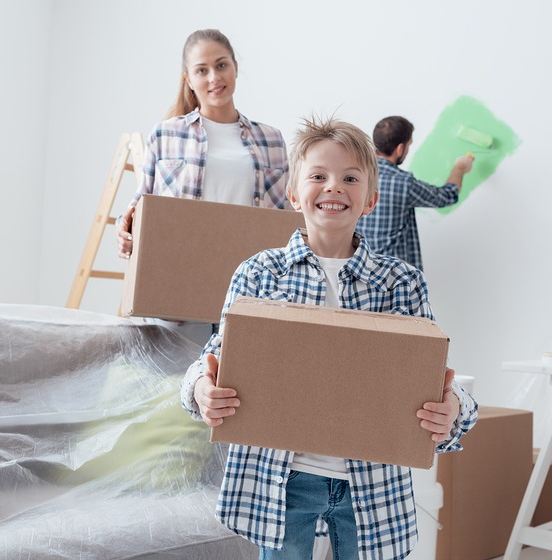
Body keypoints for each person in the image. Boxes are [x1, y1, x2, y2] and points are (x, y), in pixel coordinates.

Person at [180, 116, 478, 559]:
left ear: (371, 198)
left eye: (350, 178)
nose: (334, 187)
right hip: (282, 481)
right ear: (295, 194)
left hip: (372, 486)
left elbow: (435, 381)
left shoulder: (401, 283)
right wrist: (200, 389)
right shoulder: (260, 273)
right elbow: (212, 358)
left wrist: (454, 409)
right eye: (318, 176)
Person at [116, 28, 289, 260]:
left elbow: (286, 215)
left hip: (250, 270)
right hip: (182, 263)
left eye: (221, 65)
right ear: (188, 79)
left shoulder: (271, 139)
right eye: (201, 70)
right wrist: (123, 228)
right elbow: (141, 204)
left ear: (235, 67)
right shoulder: (165, 134)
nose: (214, 78)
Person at [356, 115, 474, 272]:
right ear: (399, 149)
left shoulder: (355, 178)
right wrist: (459, 167)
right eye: (408, 145)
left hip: (359, 272)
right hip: (393, 278)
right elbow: (447, 196)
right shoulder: (404, 183)